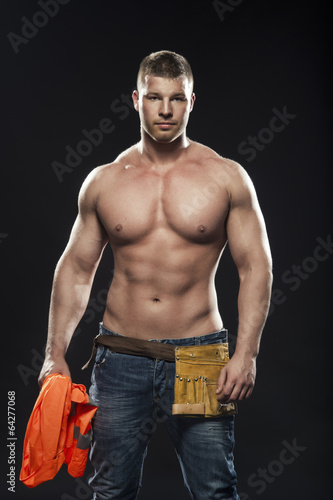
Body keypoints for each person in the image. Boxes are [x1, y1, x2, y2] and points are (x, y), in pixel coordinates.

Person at [39, 50, 272, 499]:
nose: (165, 110)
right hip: (121, 357)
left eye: (176, 99)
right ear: (135, 100)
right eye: (154, 98)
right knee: (110, 492)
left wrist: (247, 353)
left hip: (201, 358)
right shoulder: (104, 181)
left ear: (192, 102)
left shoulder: (227, 178)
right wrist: (54, 352)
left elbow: (255, 266)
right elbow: (76, 268)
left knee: (215, 491)